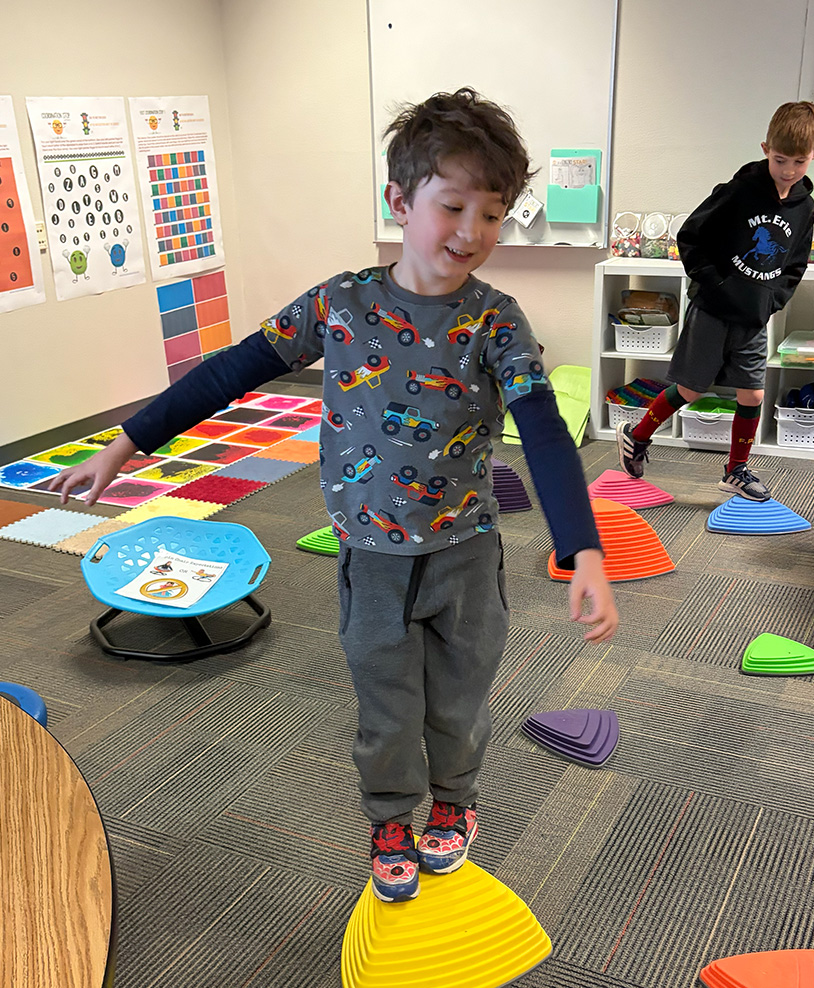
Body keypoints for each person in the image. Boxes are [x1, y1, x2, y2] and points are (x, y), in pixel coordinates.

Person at [49, 87, 618, 903]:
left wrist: (583, 548)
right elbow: (232, 369)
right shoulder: (341, 304)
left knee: (458, 701)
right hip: (373, 559)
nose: (473, 232)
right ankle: (391, 816)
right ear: (400, 200)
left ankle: (455, 804)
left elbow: (546, 430)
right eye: (453, 205)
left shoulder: (497, 321)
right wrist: (127, 442)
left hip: (464, 553)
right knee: (386, 706)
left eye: (493, 214)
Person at [617, 101, 814, 502]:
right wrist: (716, 284)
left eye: (799, 161)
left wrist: (773, 301)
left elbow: (796, 262)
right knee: (692, 389)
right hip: (713, 307)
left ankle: (735, 470)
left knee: (753, 394)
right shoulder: (738, 192)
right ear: (765, 147)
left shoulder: (805, 207)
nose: (788, 170)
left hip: (754, 315)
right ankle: (637, 435)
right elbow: (691, 238)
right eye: (780, 159)